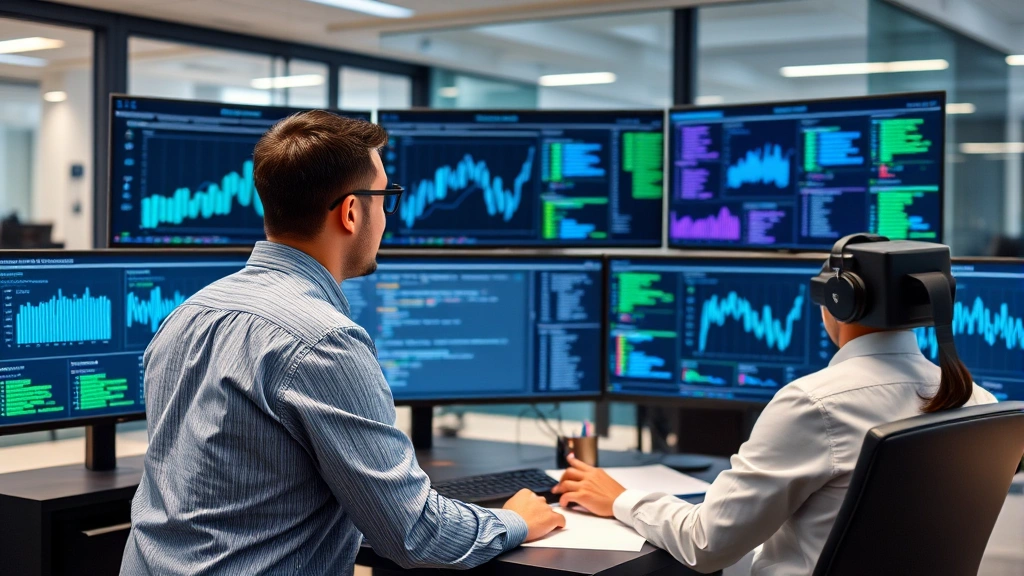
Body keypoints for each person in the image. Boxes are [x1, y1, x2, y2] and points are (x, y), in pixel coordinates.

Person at [121, 110, 564, 575]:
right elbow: (414, 534)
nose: (387, 217)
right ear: (351, 212)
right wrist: (516, 520)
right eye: (386, 198)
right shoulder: (323, 342)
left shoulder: (186, 314)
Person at [552, 257, 997, 575]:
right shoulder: (977, 400)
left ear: (839, 301)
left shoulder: (814, 403)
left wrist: (621, 499)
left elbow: (706, 544)